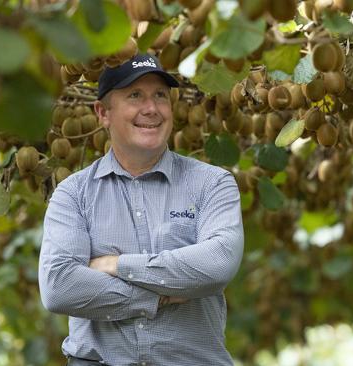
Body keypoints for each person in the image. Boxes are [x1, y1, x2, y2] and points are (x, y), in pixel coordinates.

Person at [38, 53, 244, 365]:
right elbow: (60, 287)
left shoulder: (213, 184)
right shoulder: (72, 194)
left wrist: (116, 264)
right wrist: (154, 297)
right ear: (103, 112)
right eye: (135, 95)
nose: (151, 108)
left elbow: (217, 265)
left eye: (160, 95)